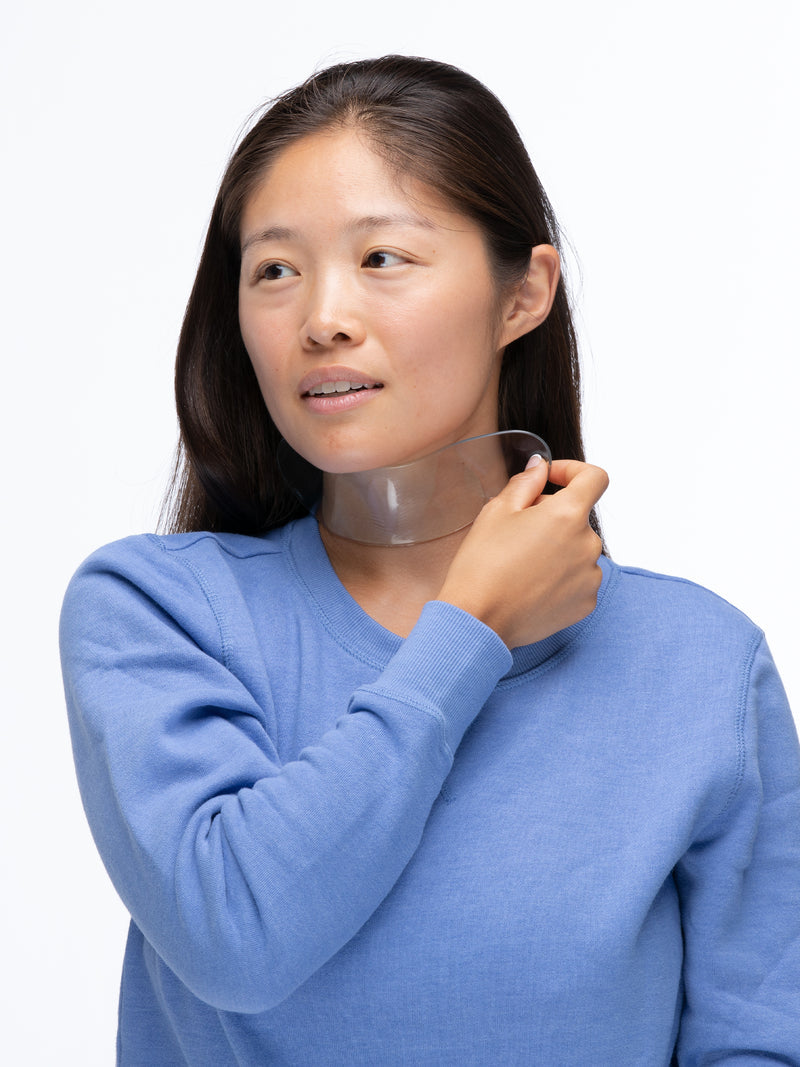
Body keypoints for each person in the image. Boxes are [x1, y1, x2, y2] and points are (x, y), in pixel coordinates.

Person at [59, 56, 800, 1064]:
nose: (322, 317)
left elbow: (761, 1038)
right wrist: (470, 630)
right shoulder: (156, 611)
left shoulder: (699, 662)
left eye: (382, 257)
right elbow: (234, 932)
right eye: (274, 270)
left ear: (523, 294)